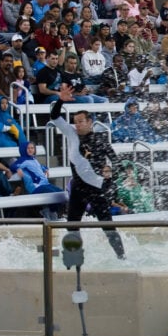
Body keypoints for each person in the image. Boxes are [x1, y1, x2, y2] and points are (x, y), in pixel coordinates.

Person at [49, 85, 125, 259]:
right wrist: (60, 99)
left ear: (90, 122)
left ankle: (121, 257)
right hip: (77, 187)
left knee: (107, 226)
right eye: (75, 122)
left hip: (96, 187)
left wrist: (111, 185)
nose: (77, 125)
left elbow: (116, 161)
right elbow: (54, 116)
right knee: (72, 225)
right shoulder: (71, 134)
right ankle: (73, 256)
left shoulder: (100, 139)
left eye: (81, 121)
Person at [11, 139, 65, 220]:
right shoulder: (23, 160)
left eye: (32, 148)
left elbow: (39, 166)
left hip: (44, 184)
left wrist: (45, 168)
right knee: (54, 193)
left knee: (61, 192)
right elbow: (13, 166)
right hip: (35, 187)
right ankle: (48, 212)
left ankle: (52, 211)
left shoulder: (33, 159)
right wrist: (18, 169)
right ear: (24, 149)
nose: (30, 150)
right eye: (28, 148)